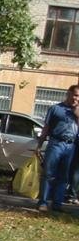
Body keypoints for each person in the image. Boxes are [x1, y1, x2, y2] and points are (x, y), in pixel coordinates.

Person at [35, 84, 79, 212]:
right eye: (75, 95)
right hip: (56, 143)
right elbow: (46, 128)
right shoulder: (55, 109)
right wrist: (39, 145)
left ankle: (57, 204)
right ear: (68, 94)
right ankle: (43, 202)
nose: (76, 99)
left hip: (71, 146)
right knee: (48, 173)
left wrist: (77, 115)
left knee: (64, 176)